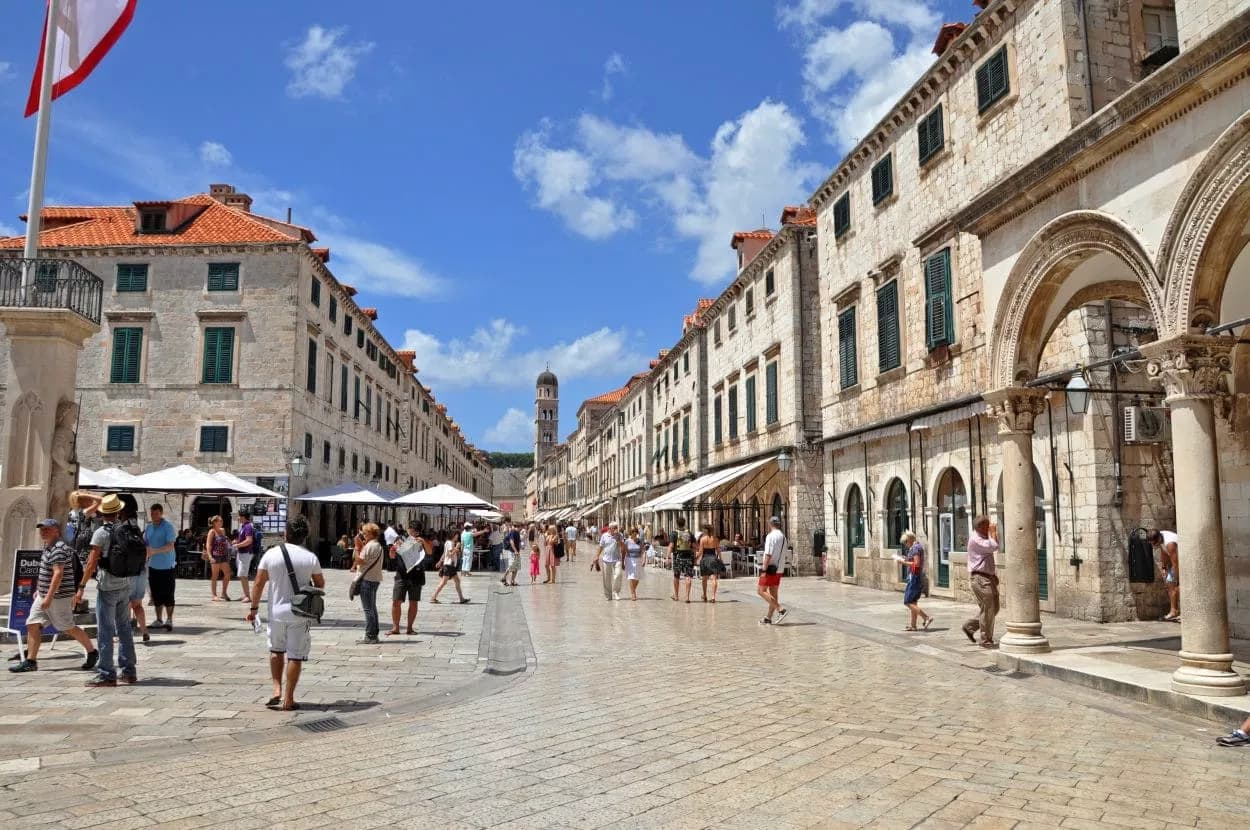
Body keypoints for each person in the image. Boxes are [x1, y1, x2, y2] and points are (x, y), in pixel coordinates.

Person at [247, 515, 324, 711]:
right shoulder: (310, 557)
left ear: (285, 534)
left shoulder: (271, 555)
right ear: (305, 536)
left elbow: (258, 583)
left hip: (276, 612)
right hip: (299, 613)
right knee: (295, 656)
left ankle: (276, 689)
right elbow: (321, 584)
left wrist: (253, 608)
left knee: (276, 650)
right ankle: (289, 699)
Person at [9, 519, 98, 673]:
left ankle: (92, 652)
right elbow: (45, 571)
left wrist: (49, 597)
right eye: (42, 529)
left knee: (68, 627)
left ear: (57, 531)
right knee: (32, 624)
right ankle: (31, 661)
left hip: (58, 597)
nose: (43, 532)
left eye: (47, 529)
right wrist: (39, 589)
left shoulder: (59, 549)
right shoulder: (48, 546)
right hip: (43, 595)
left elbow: (58, 574)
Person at [77, 494, 137, 687]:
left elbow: (91, 562)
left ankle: (106, 673)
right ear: (118, 512)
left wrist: (81, 587)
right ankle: (129, 671)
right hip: (125, 584)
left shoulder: (101, 533)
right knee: (124, 628)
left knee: (105, 630)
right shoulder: (127, 529)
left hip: (107, 586)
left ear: (102, 512)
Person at [962, 516, 1000, 648]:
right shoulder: (976, 539)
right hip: (980, 578)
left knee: (994, 608)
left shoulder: (982, 538)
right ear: (980, 527)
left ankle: (969, 626)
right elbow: (994, 546)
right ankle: (986, 639)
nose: (989, 528)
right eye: (987, 526)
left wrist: (993, 575)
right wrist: (993, 532)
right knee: (988, 608)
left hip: (987, 577)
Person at [387, 524, 425, 636]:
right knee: (396, 601)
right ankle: (396, 627)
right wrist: (392, 551)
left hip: (416, 575)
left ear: (417, 532)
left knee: (413, 602)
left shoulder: (421, 541)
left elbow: (429, 551)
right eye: (410, 529)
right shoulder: (400, 540)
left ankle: (409, 628)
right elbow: (392, 556)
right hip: (401, 575)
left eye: (413, 530)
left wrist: (423, 542)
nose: (411, 532)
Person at [144, 504, 177, 632]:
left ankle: (169, 619)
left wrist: (154, 551)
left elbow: (170, 546)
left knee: (168, 594)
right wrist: (146, 554)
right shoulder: (148, 527)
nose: (154, 516)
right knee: (156, 594)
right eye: (152, 514)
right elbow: (146, 543)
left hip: (167, 565)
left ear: (161, 513)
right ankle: (158, 619)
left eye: (156, 514)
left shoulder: (168, 527)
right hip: (153, 565)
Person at [894, 531, 933, 631]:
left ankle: (926, 617)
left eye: (906, 542)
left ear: (910, 539)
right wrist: (906, 558)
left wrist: (904, 562)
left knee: (907, 601)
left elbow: (916, 564)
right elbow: (914, 560)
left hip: (914, 577)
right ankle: (913, 625)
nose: (905, 544)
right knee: (913, 602)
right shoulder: (916, 547)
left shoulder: (915, 548)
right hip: (916, 577)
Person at [354, 523, 385, 644]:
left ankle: (370, 635)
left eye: (365, 533)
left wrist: (356, 548)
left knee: (368, 609)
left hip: (367, 579)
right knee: (372, 608)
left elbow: (359, 560)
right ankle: (374, 633)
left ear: (371, 534)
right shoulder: (377, 545)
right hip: (374, 579)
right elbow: (367, 555)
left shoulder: (370, 546)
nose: (364, 535)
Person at [757, 517, 789, 625]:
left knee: (761, 591)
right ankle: (768, 617)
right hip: (779, 569)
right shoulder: (783, 537)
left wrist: (763, 569)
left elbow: (768, 554)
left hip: (770, 568)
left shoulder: (771, 536)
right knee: (773, 593)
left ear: (770, 524)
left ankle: (781, 609)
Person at [1148, 528, 1180, 621]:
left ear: (1158, 539)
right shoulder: (1161, 536)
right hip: (1176, 563)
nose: (1153, 546)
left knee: (1179, 586)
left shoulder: (1170, 543)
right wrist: (1164, 567)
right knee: (1170, 584)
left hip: (1182, 562)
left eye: (1154, 543)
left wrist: (1178, 579)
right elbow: (1164, 553)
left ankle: (1185, 611)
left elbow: (1175, 563)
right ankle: (1174, 611)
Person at [430, 535, 470, 604]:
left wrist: (440, 561)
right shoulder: (450, 543)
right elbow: (450, 554)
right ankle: (433, 597)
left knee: (457, 581)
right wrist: (457, 547)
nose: (457, 538)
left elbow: (444, 553)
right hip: (449, 565)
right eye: (456, 536)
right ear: (453, 535)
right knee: (443, 583)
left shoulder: (448, 543)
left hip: (451, 566)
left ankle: (461, 598)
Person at [205, 515, 233, 601]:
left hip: (223, 555)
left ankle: (224, 593)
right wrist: (210, 556)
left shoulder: (223, 530)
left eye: (222, 521)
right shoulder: (212, 531)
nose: (221, 522)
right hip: (215, 555)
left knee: (228, 573)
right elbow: (208, 544)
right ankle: (214, 595)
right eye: (219, 521)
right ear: (214, 523)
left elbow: (224, 541)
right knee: (215, 575)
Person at [232, 510, 258, 605]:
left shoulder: (247, 527)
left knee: (243, 575)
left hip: (246, 553)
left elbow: (249, 540)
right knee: (241, 575)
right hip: (242, 553)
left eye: (239, 516)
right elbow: (243, 539)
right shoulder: (243, 526)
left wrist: (237, 545)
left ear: (243, 517)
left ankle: (248, 596)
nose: (238, 518)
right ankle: (245, 594)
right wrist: (237, 541)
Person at [669, 518, 697, 603]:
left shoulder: (674, 533)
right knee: (688, 576)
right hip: (688, 557)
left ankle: (676, 596)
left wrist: (668, 557)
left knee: (676, 576)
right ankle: (687, 597)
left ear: (677, 523)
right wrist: (695, 557)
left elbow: (671, 545)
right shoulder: (689, 533)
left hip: (678, 556)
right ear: (685, 523)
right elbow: (694, 547)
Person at [596, 521, 625, 600]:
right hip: (606, 559)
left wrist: (618, 538)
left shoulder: (620, 535)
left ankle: (616, 592)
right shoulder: (604, 536)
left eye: (616, 527)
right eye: (614, 527)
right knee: (606, 578)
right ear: (610, 528)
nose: (616, 529)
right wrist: (597, 556)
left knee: (618, 575)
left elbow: (622, 546)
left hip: (617, 559)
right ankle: (608, 595)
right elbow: (601, 547)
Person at [697, 523, 724, 602]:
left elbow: (700, 551)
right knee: (714, 578)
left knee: (704, 578)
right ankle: (713, 597)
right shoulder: (715, 539)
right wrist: (721, 559)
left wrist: (696, 558)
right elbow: (718, 550)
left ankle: (705, 595)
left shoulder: (703, 539)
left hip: (705, 559)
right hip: (713, 559)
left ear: (706, 530)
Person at [623, 526, 645, 601]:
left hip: (638, 559)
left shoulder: (640, 541)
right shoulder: (627, 541)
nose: (634, 533)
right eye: (633, 531)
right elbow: (624, 552)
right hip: (629, 560)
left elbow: (643, 551)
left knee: (637, 577)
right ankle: (633, 594)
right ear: (630, 533)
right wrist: (623, 561)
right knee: (631, 577)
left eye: (635, 531)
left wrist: (644, 560)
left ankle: (633, 590)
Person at [502, 521, 523, 587]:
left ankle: (512, 581)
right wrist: (515, 550)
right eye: (521, 527)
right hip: (513, 552)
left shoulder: (517, 532)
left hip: (516, 552)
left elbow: (517, 542)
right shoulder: (513, 532)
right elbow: (511, 541)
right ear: (519, 526)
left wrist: (519, 548)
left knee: (516, 567)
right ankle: (504, 577)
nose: (522, 528)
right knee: (511, 566)